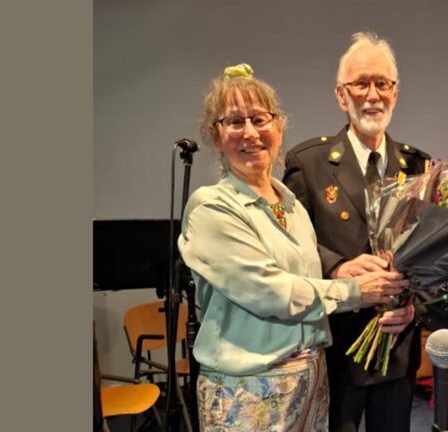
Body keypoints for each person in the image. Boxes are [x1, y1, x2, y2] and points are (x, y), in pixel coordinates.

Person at [177, 63, 413, 431]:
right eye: (234, 122)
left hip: (311, 382)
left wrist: (342, 268)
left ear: (279, 127)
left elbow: (304, 272)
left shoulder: (289, 202)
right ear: (215, 136)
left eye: (259, 119)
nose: (250, 133)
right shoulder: (212, 208)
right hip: (249, 389)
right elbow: (270, 291)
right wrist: (353, 290)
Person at [283, 32, 430, 432]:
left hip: (396, 347)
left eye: (382, 84)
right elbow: (291, 247)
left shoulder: (418, 167)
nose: (372, 95)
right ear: (340, 94)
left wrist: (416, 307)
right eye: (361, 83)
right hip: (336, 346)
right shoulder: (308, 164)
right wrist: (336, 268)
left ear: (395, 93)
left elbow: (436, 256)